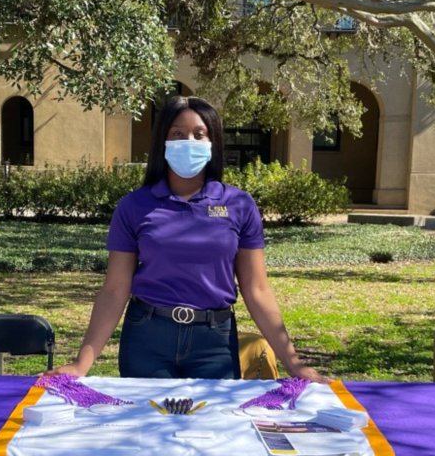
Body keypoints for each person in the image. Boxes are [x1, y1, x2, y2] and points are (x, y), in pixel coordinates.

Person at [50, 95, 325, 382]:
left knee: (213, 414)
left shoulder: (239, 205)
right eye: (178, 134)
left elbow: (257, 289)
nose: (188, 142)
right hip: (148, 338)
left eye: (199, 134)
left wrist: (295, 365)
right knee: (149, 413)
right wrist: (81, 363)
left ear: (212, 142)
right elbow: (114, 289)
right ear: (163, 141)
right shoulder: (134, 206)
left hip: (214, 342)